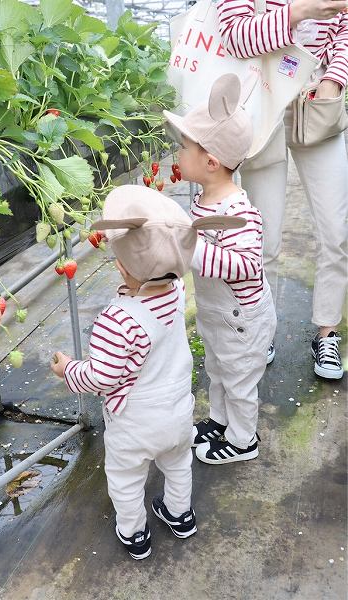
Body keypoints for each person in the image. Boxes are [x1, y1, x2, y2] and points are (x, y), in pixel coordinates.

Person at [50, 185, 236, 559]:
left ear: (120, 265)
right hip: (178, 411)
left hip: (134, 422)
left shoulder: (115, 320)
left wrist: (68, 370)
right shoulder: (176, 291)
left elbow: (102, 376)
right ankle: (180, 514)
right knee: (178, 465)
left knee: (125, 477)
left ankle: (134, 532)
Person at [217, 0, 348, 379]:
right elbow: (235, 36)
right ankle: (262, 326)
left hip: (316, 102)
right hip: (262, 101)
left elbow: (343, 29)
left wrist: (333, 78)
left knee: (336, 230)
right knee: (262, 236)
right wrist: (299, 12)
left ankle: (327, 330)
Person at [163, 73, 277, 465]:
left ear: (210, 162)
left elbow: (245, 265)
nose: (177, 154)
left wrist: (191, 247)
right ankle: (219, 419)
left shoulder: (240, 212)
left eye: (184, 148)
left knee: (240, 381)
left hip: (243, 321)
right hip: (219, 319)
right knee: (217, 369)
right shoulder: (204, 199)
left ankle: (244, 439)